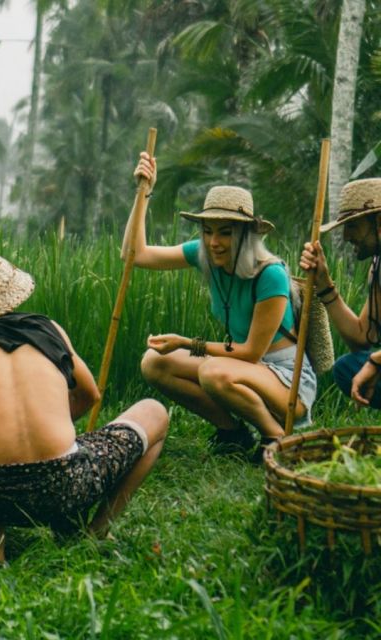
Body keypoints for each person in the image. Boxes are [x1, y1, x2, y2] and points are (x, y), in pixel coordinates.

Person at [0, 251, 169, 563]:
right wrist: (50, 422)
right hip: (68, 486)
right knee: (155, 412)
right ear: (11, 295)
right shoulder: (48, 329)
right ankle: (96, 530)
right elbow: (89, 395)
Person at [122, 152, 317, 456]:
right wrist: (143, 193)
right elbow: (136, 255)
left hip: (285, 380)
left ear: (246, 235)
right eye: (208, 231)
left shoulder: (270, 274)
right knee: (154, 363)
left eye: (225, 232)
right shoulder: (206, 255)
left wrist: (185, 343)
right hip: (240, 367)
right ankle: (233, 433)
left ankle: (276, 438)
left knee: (213, 372)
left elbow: (252, 353)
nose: (214, 242)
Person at [300, 177, 381, 409]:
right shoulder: (378, 266)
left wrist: (377, 360)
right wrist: (323, 283)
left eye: (353, 225)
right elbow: (362, 338)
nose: (346, 236)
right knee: (348, 368)